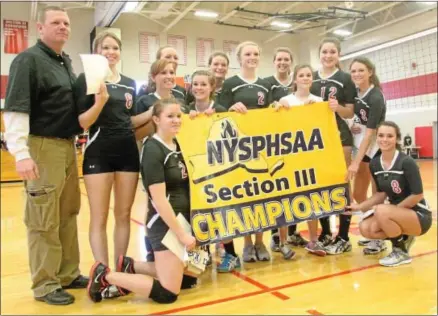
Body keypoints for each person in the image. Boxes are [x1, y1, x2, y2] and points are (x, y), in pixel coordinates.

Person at [2, 6, 88, 305]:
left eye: (66, 23)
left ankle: (67, 273)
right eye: (56, 22)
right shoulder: (28, 60)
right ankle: (45, 284)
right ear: (41, 28)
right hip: (41, 147)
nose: (62, 27)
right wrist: (21, 153)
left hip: (67, 146)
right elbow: (15, 107)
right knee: (42, 220)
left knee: (67, 214)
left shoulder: (64, 61)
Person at [87, 98, 198, 304]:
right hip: (165, 225)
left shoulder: (179, 144)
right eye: (170, 116)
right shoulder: (153, 149)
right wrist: (182, 235)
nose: (176, 120)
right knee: (168, 294)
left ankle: (130, 266)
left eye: (178, 116)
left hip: (181, 220)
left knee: (190, 277)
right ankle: (105, 276)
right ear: (156, 119)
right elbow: (158, 201)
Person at [74, 32, 148, 299]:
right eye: (105, 47)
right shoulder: (87, 80)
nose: (110, 51)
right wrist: (101, 101)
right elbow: (82, 122)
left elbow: (129, 120)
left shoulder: (129, 83)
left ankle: (120, 272)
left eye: (115, 47)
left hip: (127, 153)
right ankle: (102, 274)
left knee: (124, 215)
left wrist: (153, 113)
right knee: (100, 217)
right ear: (97, 51)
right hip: (98, 153)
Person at [348, 121, 432, 267]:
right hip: (397, 213)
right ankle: (404, 236)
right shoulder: (375, 164)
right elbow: (380, 194)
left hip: (419, 215)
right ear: (376, 137)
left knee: (381, 210)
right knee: (366, 228)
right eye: (381, 135)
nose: (384, 139)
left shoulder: (406, 162)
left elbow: (417, 195)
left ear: (397, 139)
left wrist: (392, 211)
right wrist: (359, 207)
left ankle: (400, 252)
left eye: (389, 136)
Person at [218, 41, 272, 263]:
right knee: (245, 197)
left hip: (262, 147)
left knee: (262, 196)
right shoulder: (230, 84)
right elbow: (219, 111)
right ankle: (247, 244)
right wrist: (230, 109)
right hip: (238, 148)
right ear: (240, 58)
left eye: (256, 53)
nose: (252, 57)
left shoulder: (266, 85)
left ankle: (261, 242)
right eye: (248, 54)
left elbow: (272, 111)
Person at [275, 64, 329, 257]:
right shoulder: (285, 100)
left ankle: (313, 241)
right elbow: (278, 125)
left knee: (312, 197)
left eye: (308, 75)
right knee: (285, 198)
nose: (305, 78)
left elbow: (323, 128)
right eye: (301, 75)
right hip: (289, 157)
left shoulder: (318, 101)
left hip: (310, 157)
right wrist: (278, 108)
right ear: (294, 79)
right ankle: (282, 242)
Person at [310, 37, 356, 254]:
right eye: (324, 52)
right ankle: (326, 231)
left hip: (340, 136)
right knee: (320, 185)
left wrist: (338, 108)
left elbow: (351, 111)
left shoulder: (345, 78)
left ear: (338, 55)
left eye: (332, 52)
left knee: (343, 184)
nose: (328, 56)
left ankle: (344, 235)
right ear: (319, 54)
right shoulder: (311, 77)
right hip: (316, 139)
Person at [265, 48, 308, 252]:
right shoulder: (267, 83)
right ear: (274, 61)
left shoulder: (298, 83)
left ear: (291, 62)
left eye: (286, 59)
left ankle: (292, 232)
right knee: (276, 189)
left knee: (296, 187)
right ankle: (275, 234)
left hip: (297, 143)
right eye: (279, 59)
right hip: (273, 143)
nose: (282, 62)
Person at [347, 57, 387, 255]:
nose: (356, 74)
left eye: (360, 70)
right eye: (353, 71)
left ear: (370, 72)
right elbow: (358, 118)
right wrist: (354, 124)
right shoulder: (356, 92)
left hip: (375, 150)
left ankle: (379, 237)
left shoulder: (376, 96)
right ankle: (370, 229)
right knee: (358, 194)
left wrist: (355, 162)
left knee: (376, 195)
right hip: (361, 145)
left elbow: (371, 133)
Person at [134, 59, 179, 140]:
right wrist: (154, 120)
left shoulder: (179, 102)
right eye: (163, 73)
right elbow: (135, 136)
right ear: (153, 77)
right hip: (153, 150)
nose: (169, 76)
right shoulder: (144, 101)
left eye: (172, 73)